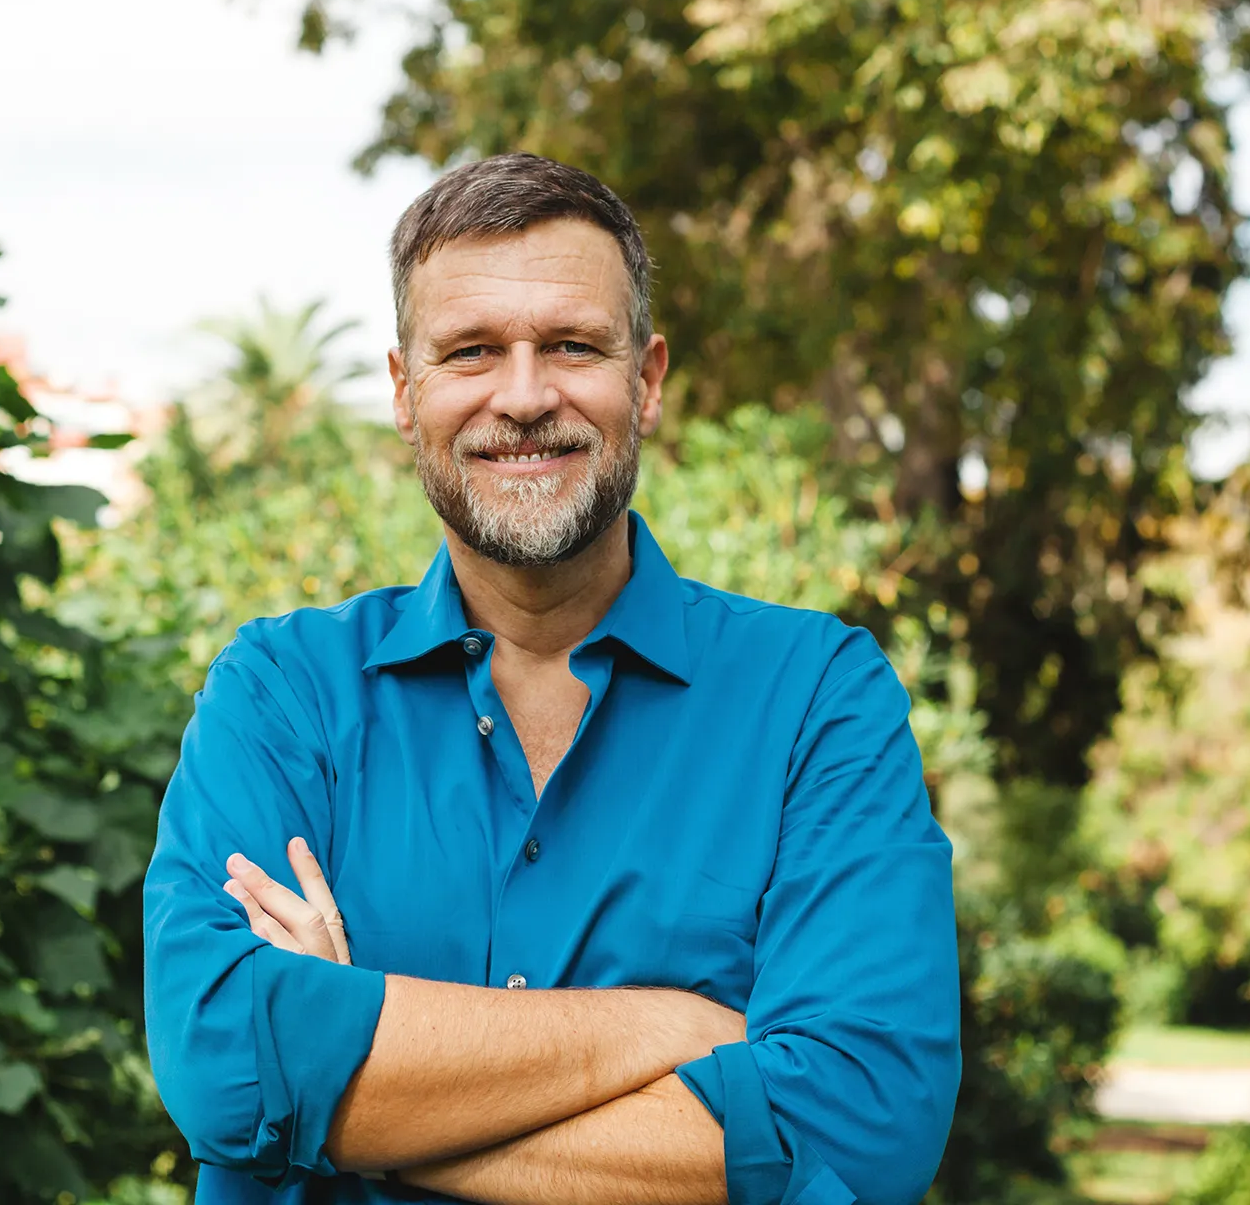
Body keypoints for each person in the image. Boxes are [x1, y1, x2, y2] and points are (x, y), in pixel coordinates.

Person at [142, 153, 960, 1205]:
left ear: (647, 378)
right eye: (471, 351)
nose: (523, 396)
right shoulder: (281, 693)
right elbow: (225, 1068)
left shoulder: (816, 699)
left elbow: (862, 1122)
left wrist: (346, 1085)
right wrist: (672, 1028)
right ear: (405, 391)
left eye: (572, 345)